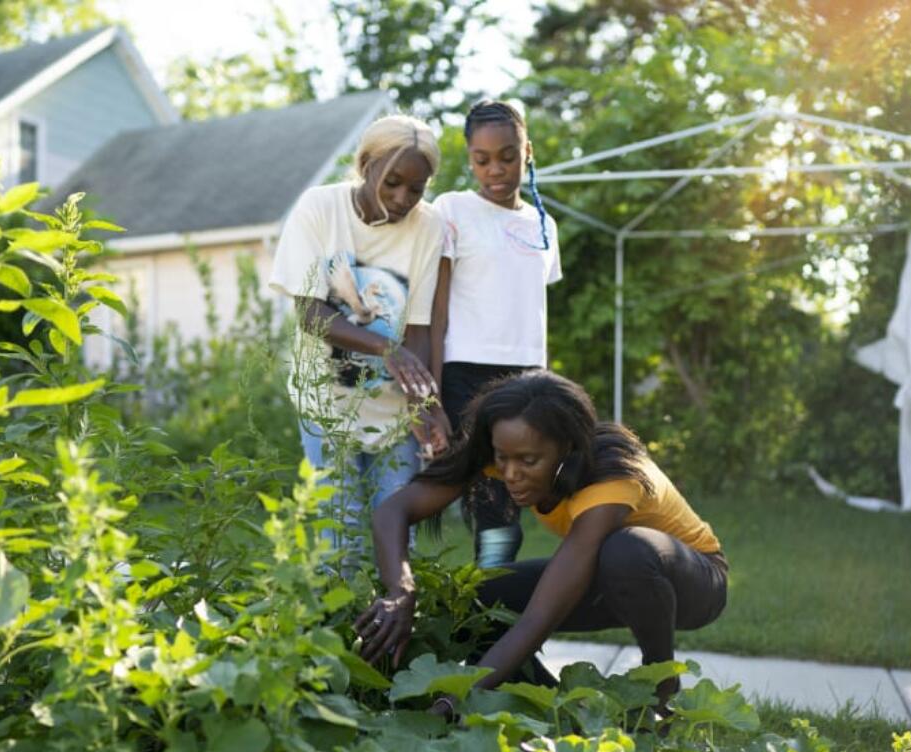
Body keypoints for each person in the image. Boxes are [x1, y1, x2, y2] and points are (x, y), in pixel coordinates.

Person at [355, 371, 728, 716]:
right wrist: (399, 590)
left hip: (693, 581)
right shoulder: (502, 451)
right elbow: (394, 511)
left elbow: (539, 617)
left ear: (566, 452)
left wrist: (456, 697)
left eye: (529, 461)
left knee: (624, 551)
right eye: (503, 458)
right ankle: (553, 709)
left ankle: (660, 693)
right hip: (607, 575)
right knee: (474, 599)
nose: (511, 474)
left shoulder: (612, 477)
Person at [269, 114, 448, 569]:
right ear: (366, 164)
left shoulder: (428, 228)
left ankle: (389, 635)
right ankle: (336, 639)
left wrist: (421, 404)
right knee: (338, 541)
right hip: (327, 404)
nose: (402, 198)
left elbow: (422, 329)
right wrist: (385, 349)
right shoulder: (319, 209)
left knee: (395, 543)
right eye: (392, 182)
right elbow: (310, 312)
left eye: (416, 188)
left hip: (392, 415)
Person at [429, 99, 562, 568]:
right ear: (469, 159)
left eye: (507, 156)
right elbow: (436, 309)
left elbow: (530, 309)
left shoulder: (544, 225)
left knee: (515, 497)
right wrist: (432, 395)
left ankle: (496, 608)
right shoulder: (451, 209)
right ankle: (489, 612)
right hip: (467, 373)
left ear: (528, 151)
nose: (495, 170)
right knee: (489, 499)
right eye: (481, 160)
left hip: (528, 379)